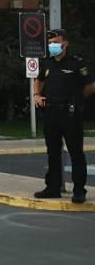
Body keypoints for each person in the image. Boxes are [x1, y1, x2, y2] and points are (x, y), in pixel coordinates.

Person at [33, 29, 94, 204]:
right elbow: (38, 80)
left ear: (65, 44)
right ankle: (52, 188)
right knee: (52, 151)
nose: (52, 46)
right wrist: (37, 95)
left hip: (70, 112)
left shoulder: (76, 63)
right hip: (51, 111)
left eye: (56, 42)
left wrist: (76, 98)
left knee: (75, 152)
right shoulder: (48, 63)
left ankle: (79, 190)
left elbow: (90, 85)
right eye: (50, 43)